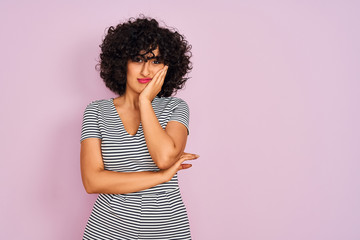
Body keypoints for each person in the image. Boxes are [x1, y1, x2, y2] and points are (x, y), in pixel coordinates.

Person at [80, 15, 199, 239]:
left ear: (167, 66)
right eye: (137, 59)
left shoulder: (176, 108)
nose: (146, 71)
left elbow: (164, 158)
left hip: (166, 231)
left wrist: (145, 102)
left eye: (155, 61)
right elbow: (92, 181)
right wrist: (161, 178)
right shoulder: (96, 111)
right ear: (122, 62)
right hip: (107, 231)